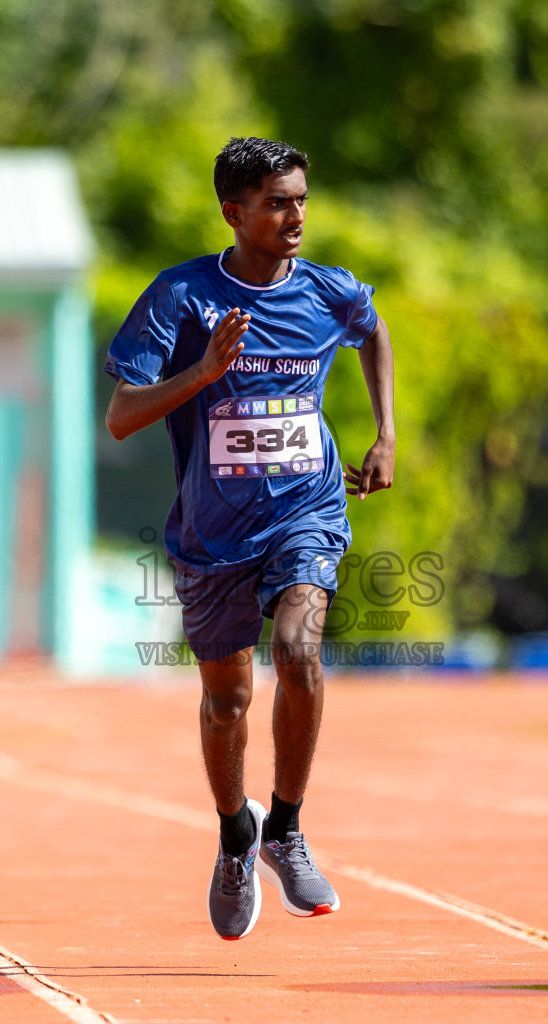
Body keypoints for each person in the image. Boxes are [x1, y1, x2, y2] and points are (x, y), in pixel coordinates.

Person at [103, 136, 396, 940]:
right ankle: (237, 832)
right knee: (226, 701)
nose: (295, 215)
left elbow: (371, 328)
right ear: (235, 213)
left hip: (307, 510)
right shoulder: (182, 297)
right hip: (212, 534)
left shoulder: (328, 292)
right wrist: (203, 372)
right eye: (276, 202)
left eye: (301, 198)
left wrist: (385, 434)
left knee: (301, 649)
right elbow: (123, 417)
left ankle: (288, 830)